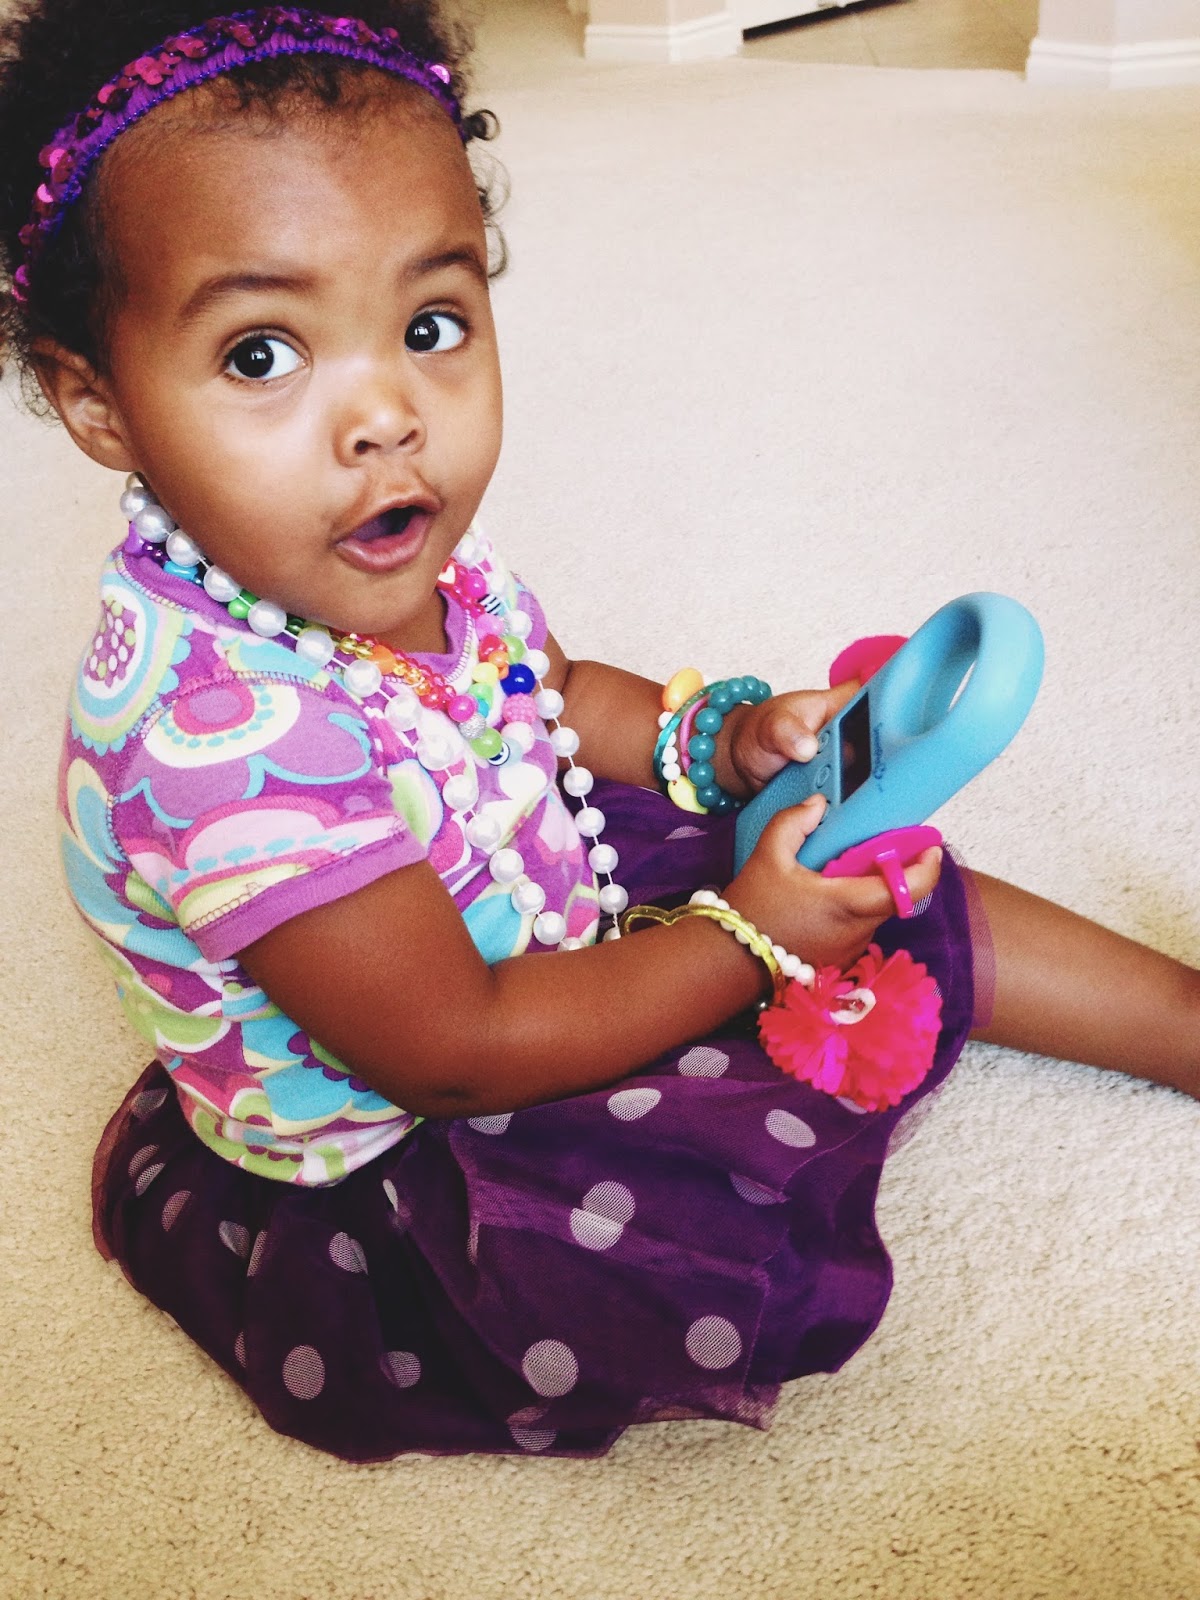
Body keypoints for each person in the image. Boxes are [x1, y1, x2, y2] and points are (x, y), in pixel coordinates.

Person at [1, 0, 1195, 1463]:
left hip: (503, 891)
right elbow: (457, 1051)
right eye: (262, 355)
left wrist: (713, 743)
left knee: (832, 844)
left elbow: (546, 692)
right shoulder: (214, 747)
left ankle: (1181, 1018)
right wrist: (746, 942)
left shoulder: (383, 551)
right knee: (679, 1182)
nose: (387, 416)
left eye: (429, 326)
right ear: (98, 403)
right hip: (425, 1102)